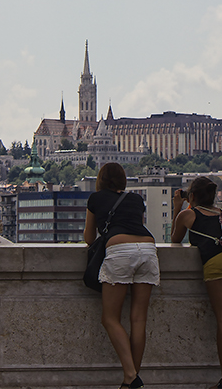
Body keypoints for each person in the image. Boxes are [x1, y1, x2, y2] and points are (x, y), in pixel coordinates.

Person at [171, 176, 222, 389]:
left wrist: (178, 207)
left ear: (192, 196)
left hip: (217, 260)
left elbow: (174, 238)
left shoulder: (188, 214)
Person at [84, 162, 160, 389]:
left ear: (100, 180)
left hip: (120, 251)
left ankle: (130, 375)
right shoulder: (136, 199)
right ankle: (131, 381)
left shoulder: (95, 199)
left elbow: (89, 238)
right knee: (138, 319)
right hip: (148, 249)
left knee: (109, 318)